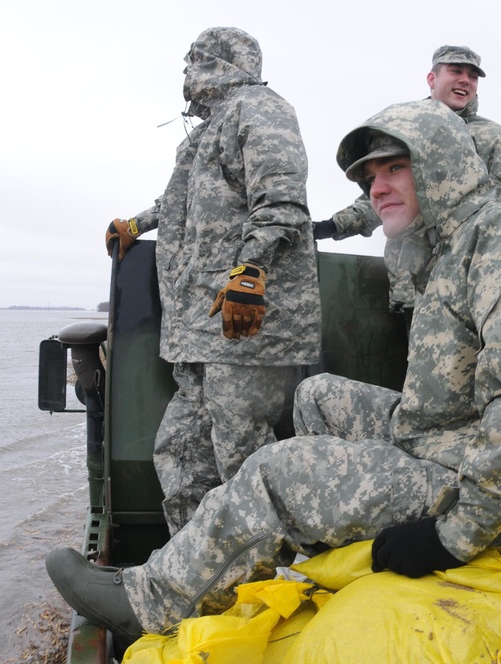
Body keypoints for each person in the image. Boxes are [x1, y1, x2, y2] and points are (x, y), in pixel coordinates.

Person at [47, 98, 501, 647]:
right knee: (317, 395)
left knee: (281, 470)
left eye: (396, 169)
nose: (377, 187)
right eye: (370, 176)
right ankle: (300, 538)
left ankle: (151, 602)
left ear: (442, 167)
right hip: (459, 442)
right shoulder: (454, 245)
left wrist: (453, 536)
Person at [103, 27, 321, 536]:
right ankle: (194, 570)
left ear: (219, 62)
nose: (184, 72)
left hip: (243, 329)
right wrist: (138, 224)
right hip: (200, 328)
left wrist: (250, 273)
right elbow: (176, 202)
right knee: (180, 452)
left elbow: (282, 201)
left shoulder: (259, 108)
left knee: (242, 460)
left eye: (192, 60)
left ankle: (264, 580)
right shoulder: (205, 132)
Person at [313, 45, 501, 309]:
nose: (465, 80)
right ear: (432, 79)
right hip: (408, 289)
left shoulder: (495, 139)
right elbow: (384, 197)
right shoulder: (403, 130)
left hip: (466, 287)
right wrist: (331, 226)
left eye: (473, 76)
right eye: (455, 71)